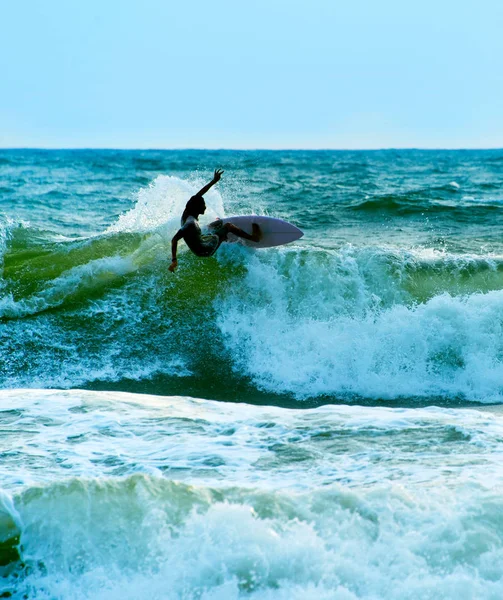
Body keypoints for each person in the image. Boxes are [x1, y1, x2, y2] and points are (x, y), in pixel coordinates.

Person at [169, 169, 261, 272]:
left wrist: (214, 181)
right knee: (228, 226)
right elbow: (174, 239)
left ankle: (223, 236)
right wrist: (174, 261)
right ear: (198, 208)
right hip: (206, 250)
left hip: (200, 243)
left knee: (213, 226)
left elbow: (198, 195)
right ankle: (253, 238)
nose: (205, 207)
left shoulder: (187, 211)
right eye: (203, 205)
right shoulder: (191, 224)